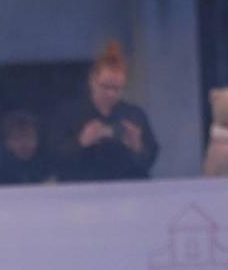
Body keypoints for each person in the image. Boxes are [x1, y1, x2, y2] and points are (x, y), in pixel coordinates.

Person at [49, 41, 159, 181]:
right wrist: (81, 143)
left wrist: (137, 147)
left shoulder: (134, 115)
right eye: (105, 87)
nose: (111, 94)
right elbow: (53, 160)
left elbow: (148, 161)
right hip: (80, 193)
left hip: (127, 193)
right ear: (92, 80)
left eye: (117, 89)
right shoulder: (67, 114)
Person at [0, 110, 54, 185]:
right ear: (7, 142)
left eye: (29, 137)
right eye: (17, 138)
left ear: (37, 139)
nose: (24, 144)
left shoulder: (50, 166)